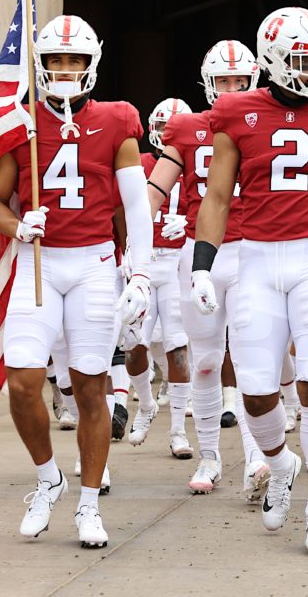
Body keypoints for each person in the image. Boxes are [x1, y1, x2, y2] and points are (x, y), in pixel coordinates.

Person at [195, 6, 308, 555]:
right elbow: (219, 197)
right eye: (304, 59)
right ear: (273, 60)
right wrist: (203, 264)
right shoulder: (236, 111)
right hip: (256, 257)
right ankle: (280, 465)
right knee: (254, 393)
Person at [0, 14, 152, 548]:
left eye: (74, 60)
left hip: (94, 264)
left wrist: (141, 272)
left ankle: (87, 503)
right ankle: (47, 478)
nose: (64, 69)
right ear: (40, 63)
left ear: (91, 64)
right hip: (40, 262)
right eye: (55, 60)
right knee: (23, 384)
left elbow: (135, 208)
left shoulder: (117, 120)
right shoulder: (24, 124)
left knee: (90, 389)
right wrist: (18, 223)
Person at [145, 40, 267, 498]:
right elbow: (153, 193)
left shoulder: (265, 123)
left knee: (255, 357)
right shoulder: (188, 128)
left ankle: (257, 454)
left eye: (240, 81)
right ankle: (211, 456)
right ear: (207, 84)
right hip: (199, 256)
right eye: (223, 82)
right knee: (206, 361)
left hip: (252, 252)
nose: (232, 89)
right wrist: (127, 244)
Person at [122, 97, 194, 462]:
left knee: (178, 348)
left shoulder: (197, 160)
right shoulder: (139, 164)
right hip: (146, 263)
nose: (168, 135)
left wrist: (190, 223)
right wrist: (127, 251)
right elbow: (124, 208)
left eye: (173, 129)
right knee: (134, 343)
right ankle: (146, 404)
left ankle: (179, 430)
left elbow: (218, 201)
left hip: (180, 261)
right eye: (164, 128)